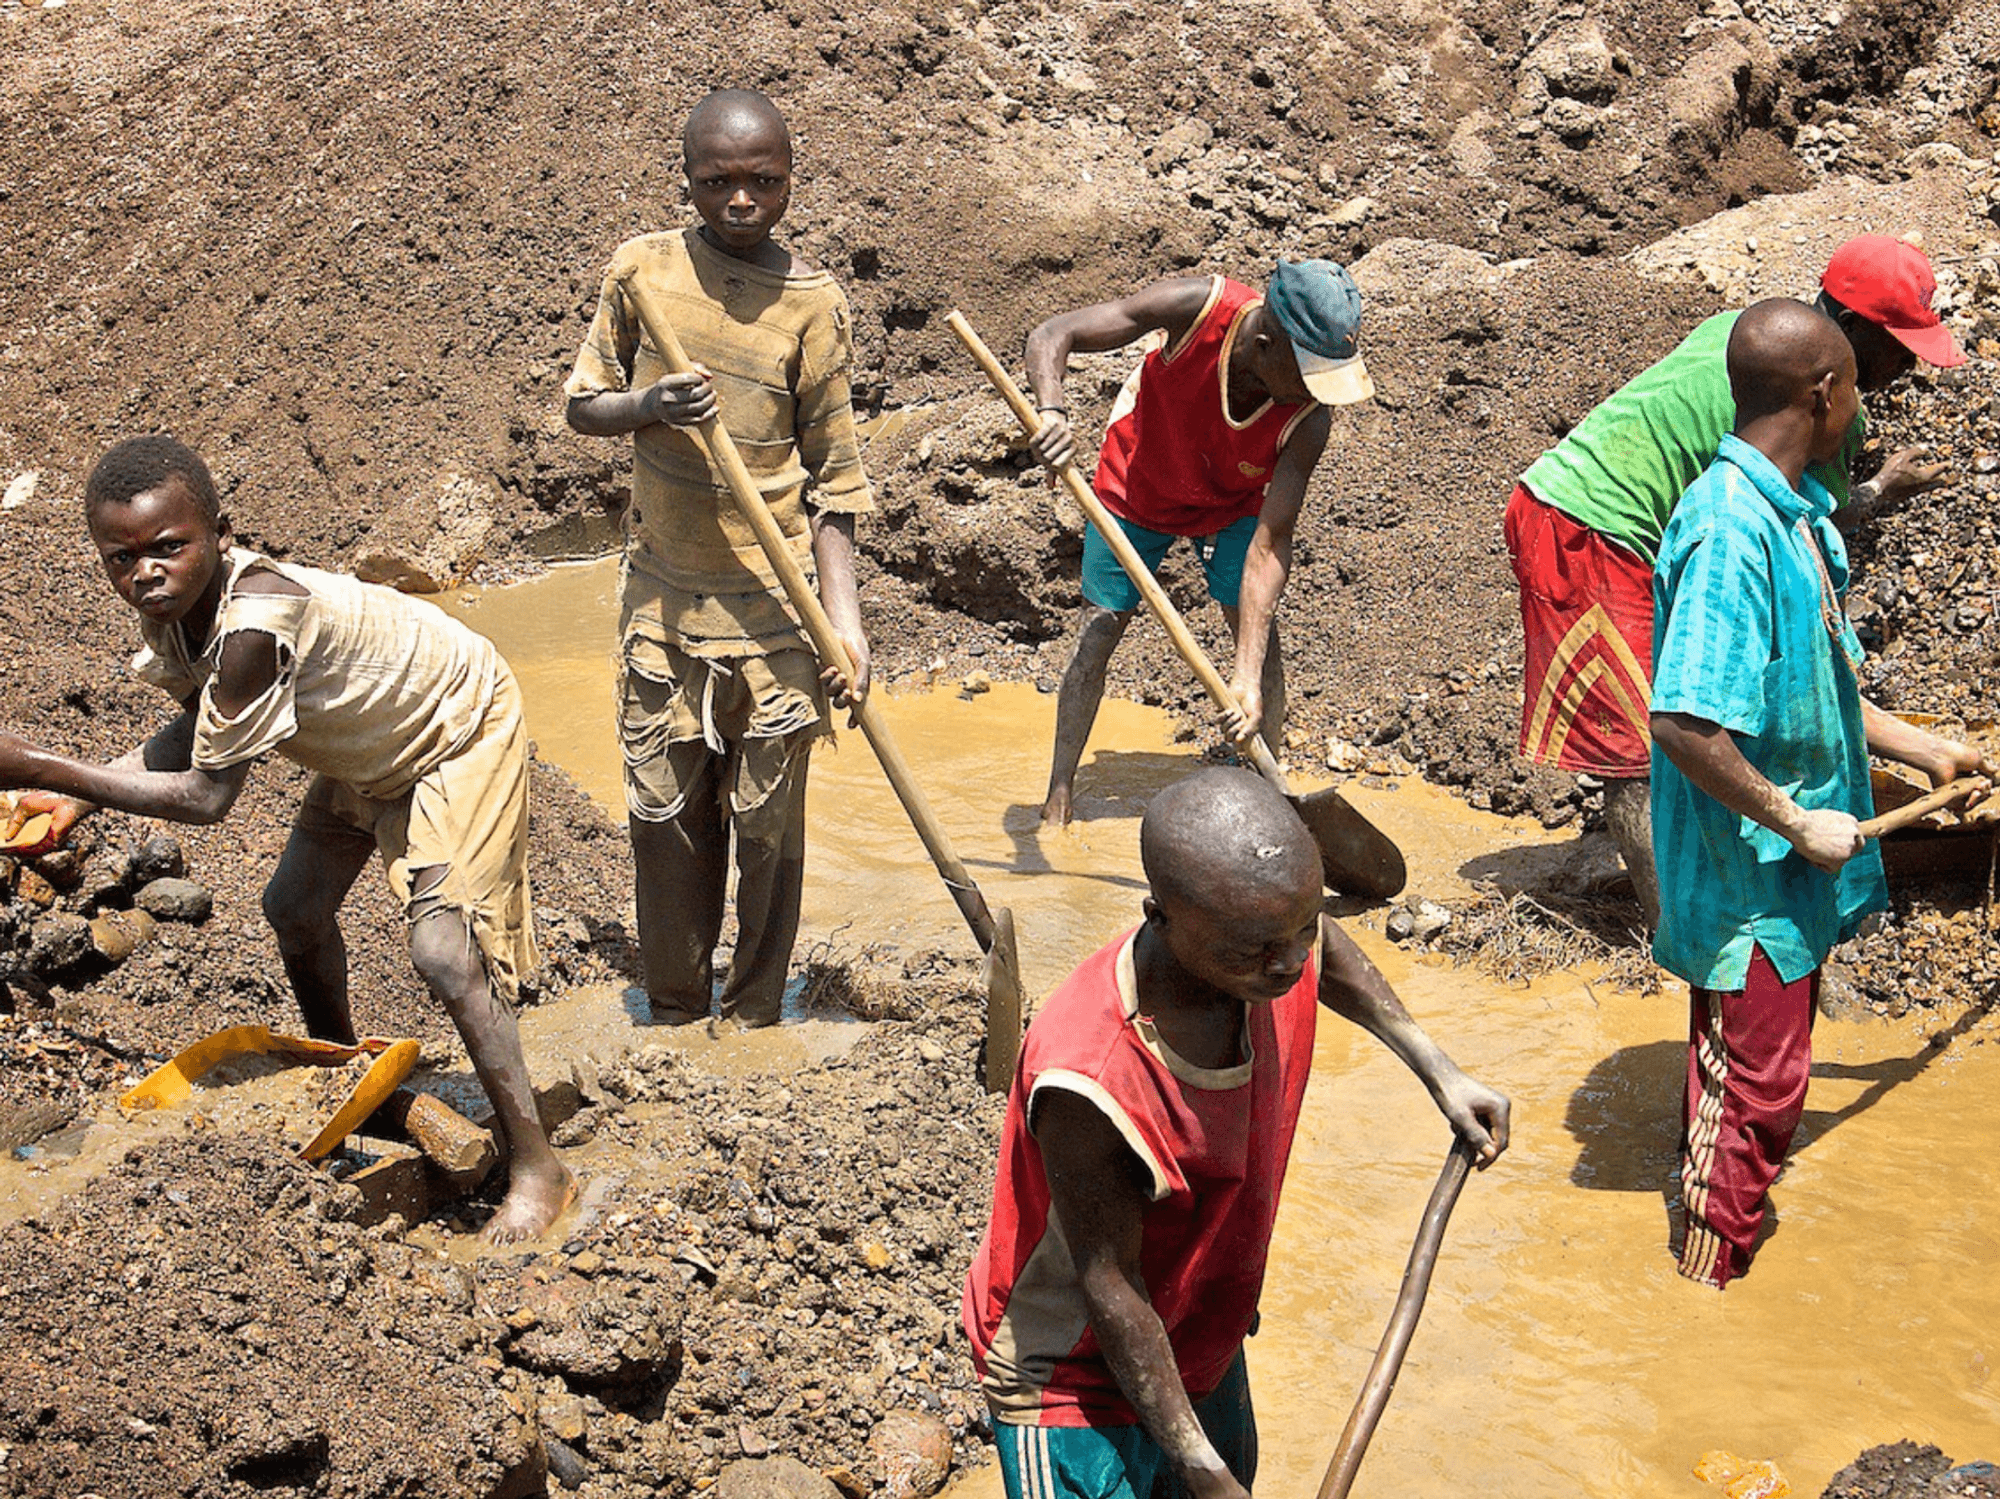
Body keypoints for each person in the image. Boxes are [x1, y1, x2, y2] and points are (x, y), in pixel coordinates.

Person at [0, 436, 573, 1243]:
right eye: (121, 557)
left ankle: (538, 1165)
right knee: (295, 908)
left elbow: (206, 794)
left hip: (452, 727)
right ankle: (352, 1087)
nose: (146, 571)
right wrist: (70, 802)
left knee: (443, 950)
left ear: (221, 535)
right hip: (367, 743)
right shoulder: (182, 614)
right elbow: (202, 727)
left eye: (168, 547)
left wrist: (42, 764)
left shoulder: (258, 616)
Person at [963, 767, 1509, 1499]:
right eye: (1255, 947)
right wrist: (1205, 1472)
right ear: (1160, 918)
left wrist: (1438, 1069)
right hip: (1076, 1377)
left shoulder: (1268, 945)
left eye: (1301, 928)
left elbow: (1324, 947)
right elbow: (1112, 1289)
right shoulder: (1092, 1076)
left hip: (1197, 1329)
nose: (1288, 962)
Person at [1648, 299, 1991, 1288]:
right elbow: (1682, 721)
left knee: (1746, 1076)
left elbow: (1818, 682)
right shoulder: (1725, 530)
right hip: (1749, 867)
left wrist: (1925, 749)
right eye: (1853, 387)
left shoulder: (1788, 513)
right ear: (1822, 390)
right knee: (1753, 1087)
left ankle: (1707, 1217)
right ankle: (1702, 1295)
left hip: (1784, 851)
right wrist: (1795, 817)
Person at [1507, 234, 1967, 927]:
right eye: (1896, 345)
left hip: (1643, 527)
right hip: (1589, 521)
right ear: (1842, 342)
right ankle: (1682, 936)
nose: (1904, 365)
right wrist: (1877, 490)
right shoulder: (1790, 391)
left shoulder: (1751, 336)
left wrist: (1926, 748)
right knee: (1641, 744)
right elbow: (1810, 549)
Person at [564, 88, 870, 1030]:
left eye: (763, 181)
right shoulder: (643, 271)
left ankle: (753, 1016)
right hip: (661, 608)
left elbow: (837, 483)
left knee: (770, 833)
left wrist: (846, 626)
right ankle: (673, 1009)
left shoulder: (814, 306)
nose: (741, 201)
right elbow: (583, 405)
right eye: (718, 182)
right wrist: (648, 409)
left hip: (778, 615)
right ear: (688, 179)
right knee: (664, 825)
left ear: (790, 178)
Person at [1024, 260, 1374, 828]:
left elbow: (1271, 541)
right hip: (1139, 480)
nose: (1318, 392)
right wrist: (1051, 412)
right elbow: (1051, 335)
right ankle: (1058, 796)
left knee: (1261, 646)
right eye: (1309, 372)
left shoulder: (1309, 418)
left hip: (1234, 504)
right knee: (1099, 629)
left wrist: (1245, 676)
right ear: (1265, 346)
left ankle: (1271, 803)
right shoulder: (1196, 308)